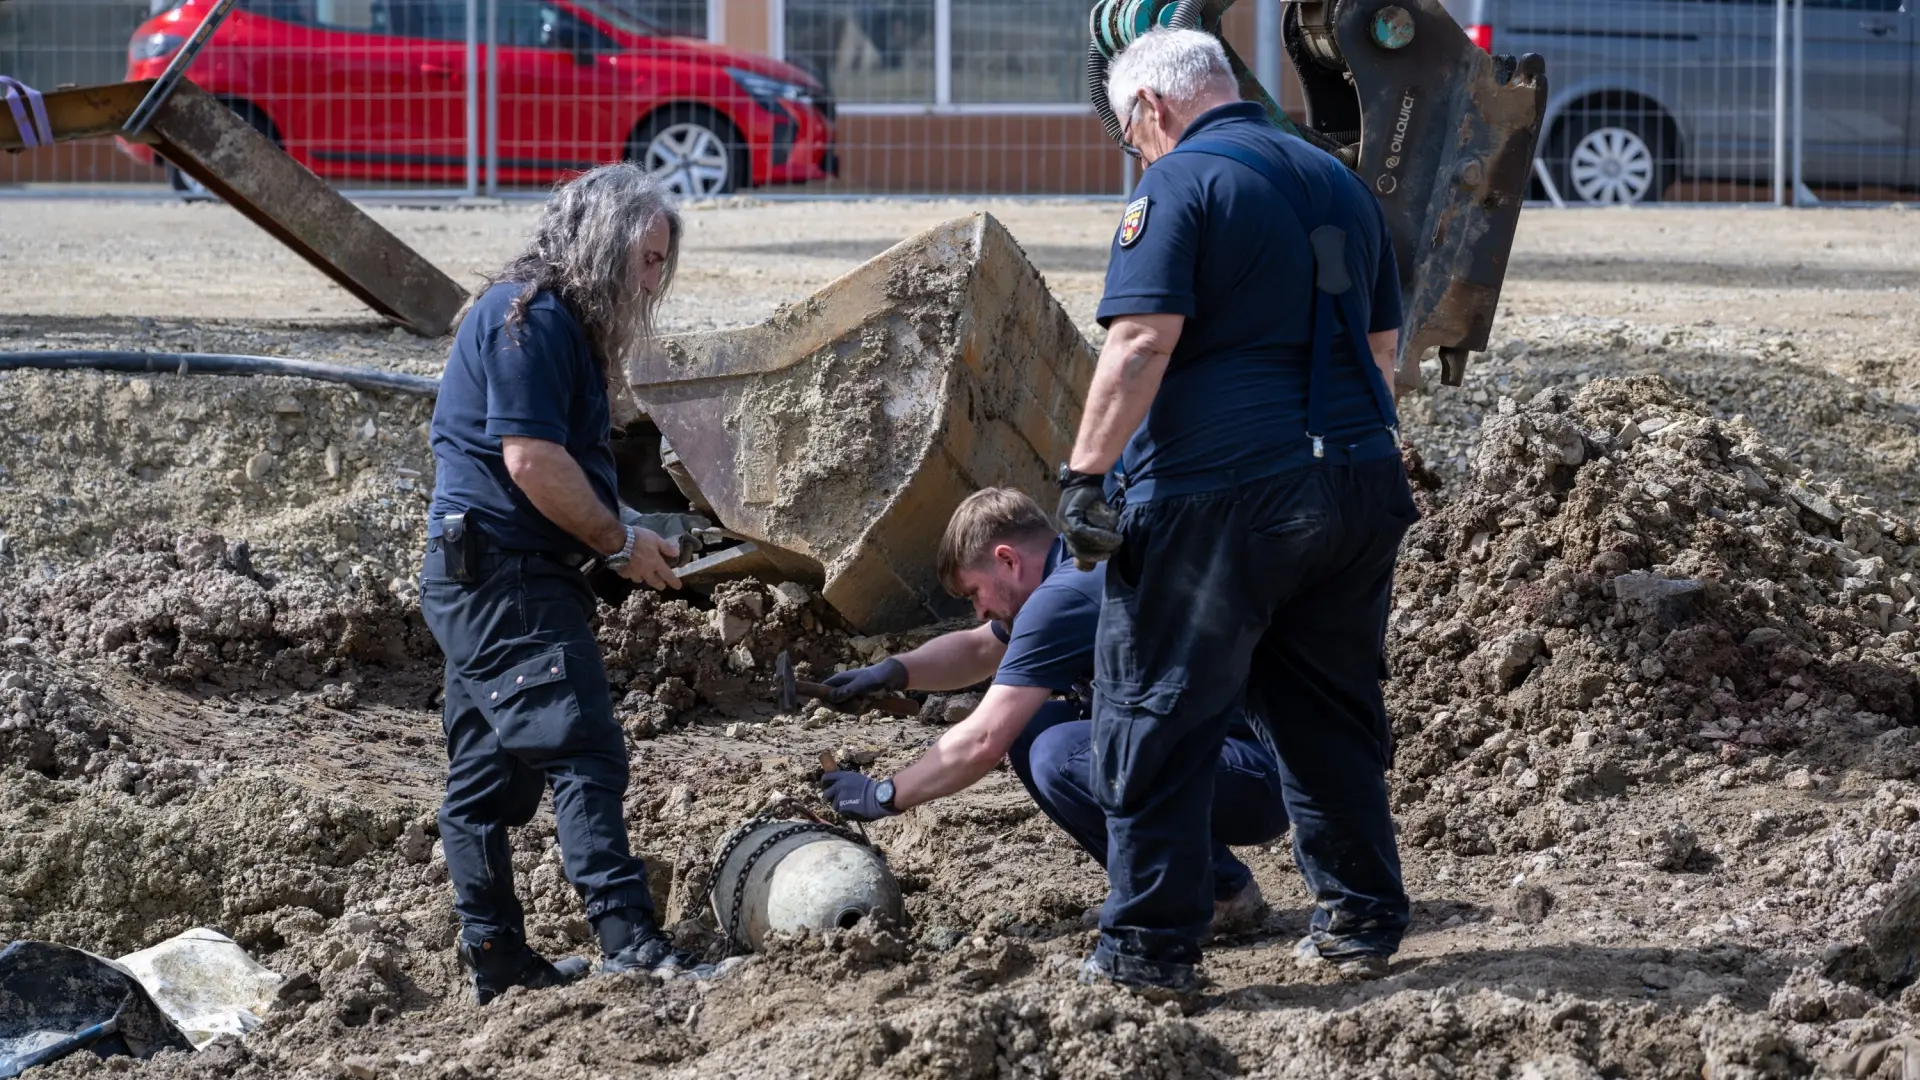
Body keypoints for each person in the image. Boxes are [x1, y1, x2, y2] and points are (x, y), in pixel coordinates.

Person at [1055, 28, 1419, 993]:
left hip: (1217, 496)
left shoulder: (1176, 185)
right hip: (1355, 486)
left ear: (1152, 110)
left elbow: (1138, 341)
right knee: (1327, 710)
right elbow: (1383, 349)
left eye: (1130, 135)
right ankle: (1361, 917)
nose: (1135, 153)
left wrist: (1083, 477)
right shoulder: (1339, 183)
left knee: (1156, 713)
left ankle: (1147, 950)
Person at [420, 163, 709, 1005]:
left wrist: (622, 528)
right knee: (584, 746)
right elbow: (532, 461)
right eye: (645, 260)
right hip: (507, 576)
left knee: (487, 780)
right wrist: (619, 543)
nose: (652, 281)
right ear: (600, 244)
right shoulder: (531, 319)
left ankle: (499, 964)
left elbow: (550, 465)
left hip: (477, 573)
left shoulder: (546, 320)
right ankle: (630, 942)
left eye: (661, 263)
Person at [816, 487, 1288, 932]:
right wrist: (893, 671)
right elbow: (983, 649)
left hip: (1252, 774)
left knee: (1058, 754)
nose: (979, 611)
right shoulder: (1079, 568)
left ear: (1007, 560)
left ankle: (1210, 892)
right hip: (1239, 764)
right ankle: (1159, 886)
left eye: (974, 593)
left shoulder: (1059, 600)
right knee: (1035, 730)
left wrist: (884, 795)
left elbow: (982, 741)